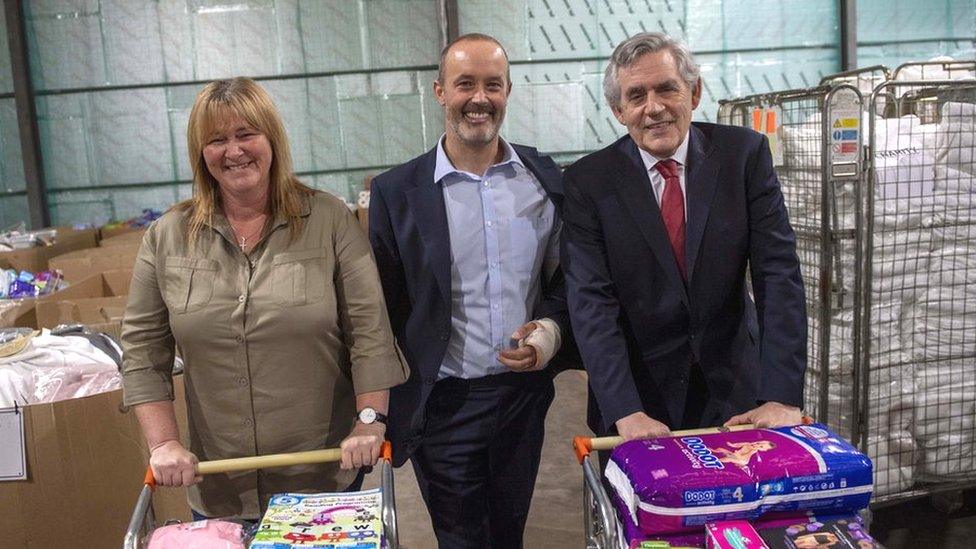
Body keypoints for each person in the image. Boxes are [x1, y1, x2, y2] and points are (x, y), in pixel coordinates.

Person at [121, 77, 408, 520]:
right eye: (216, 140)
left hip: (321, 483)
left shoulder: (330, 220)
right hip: (218, 485)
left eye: (245, 134)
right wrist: (163, 443)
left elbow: (370, 331)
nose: (233, 151)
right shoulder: (167, 237)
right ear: (202, 153)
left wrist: (369, 423)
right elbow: (142, 352)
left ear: (271, 138)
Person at [369, 33, 571, 548]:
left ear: (507, 92)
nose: (479, 98)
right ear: (439, 91)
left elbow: (569, 281)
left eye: (492, 85)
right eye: (465, 84)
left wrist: (549, 328)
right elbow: (383, 310)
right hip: (442, 403)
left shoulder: (543, 178)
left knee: (509, 534)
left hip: (521, 401)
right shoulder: (399, 193)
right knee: (461, 539)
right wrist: (375, 408)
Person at [561, 32, 807, 445]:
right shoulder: (589, 182)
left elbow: (777, 274)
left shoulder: (743, 156)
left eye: (667, 89)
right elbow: (591, 303)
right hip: (639, 399)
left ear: (694, 93)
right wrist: (625, 409)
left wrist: (781, 395)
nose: (653, 108)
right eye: (636, 96)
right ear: (618, 110)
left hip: (737, 393)